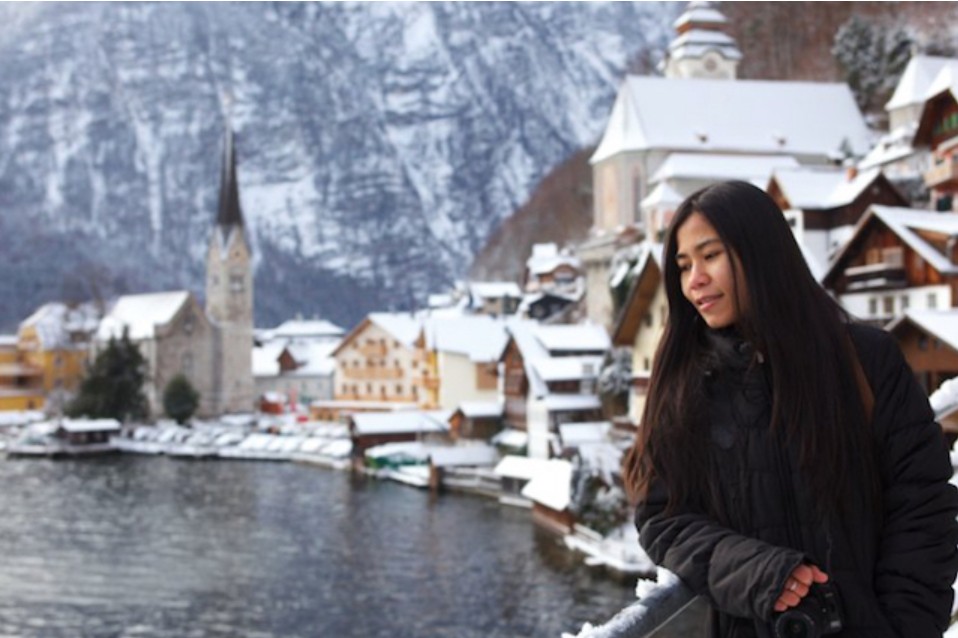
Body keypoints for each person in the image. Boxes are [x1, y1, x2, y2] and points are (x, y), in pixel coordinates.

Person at [622, 181, 958, 638]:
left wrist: (904, 628)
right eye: (683, 266)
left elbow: (922, 502)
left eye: (711, 255)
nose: (694, 280)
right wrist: (756, 573)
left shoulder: (866, 360)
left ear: (761, 252)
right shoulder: (686, 387)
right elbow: (662, 517)